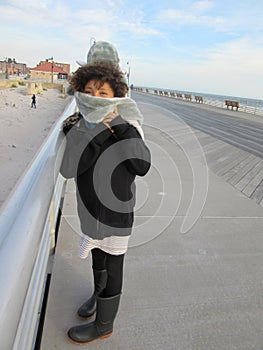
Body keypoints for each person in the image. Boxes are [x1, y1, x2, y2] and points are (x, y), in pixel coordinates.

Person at [60, 42, 151, 345]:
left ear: (116, 96)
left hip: (115, 211)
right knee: (97, 257)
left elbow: (141, 164)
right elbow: (70, 169)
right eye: (91, 91)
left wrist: (118, 125)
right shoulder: (78, 125)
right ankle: (97, 297)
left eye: (104, 94)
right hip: (89, 210)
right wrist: (91, 131)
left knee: (113, 265)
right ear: (81, 92)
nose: (96, 98)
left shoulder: (128, 122)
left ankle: (104, 325)